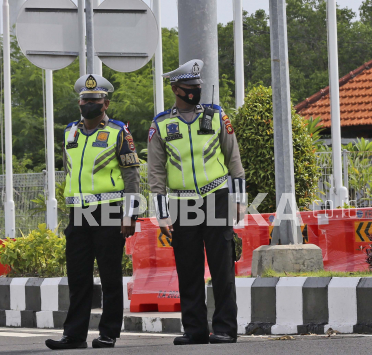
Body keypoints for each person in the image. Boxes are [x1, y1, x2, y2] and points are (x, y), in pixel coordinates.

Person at [147, 59, 246, 345]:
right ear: (176, 89)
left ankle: (226, 327)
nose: (195, 91)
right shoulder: (161, 124)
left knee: (222, 267)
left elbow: (234, 160)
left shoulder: (216, 117)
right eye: (190, 87)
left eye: (198, 87)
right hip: (181, 204)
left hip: (216, 197)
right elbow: (155, 173)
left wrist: (239, 201)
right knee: (188, 269)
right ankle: (195, 330)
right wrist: (163, 215)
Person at [46, 74, 141, 350]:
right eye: (85, 100)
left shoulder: (119, 132)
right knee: (78, 277)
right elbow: (69, 171)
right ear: (79, 102)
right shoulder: (69, 133)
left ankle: (108, 333)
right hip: (79, 214)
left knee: (110, 275)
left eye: (95, 100)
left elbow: (132, 177)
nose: (89, 104)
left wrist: (129, 215)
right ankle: (74, 335)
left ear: (105, 103)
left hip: (109, 211)